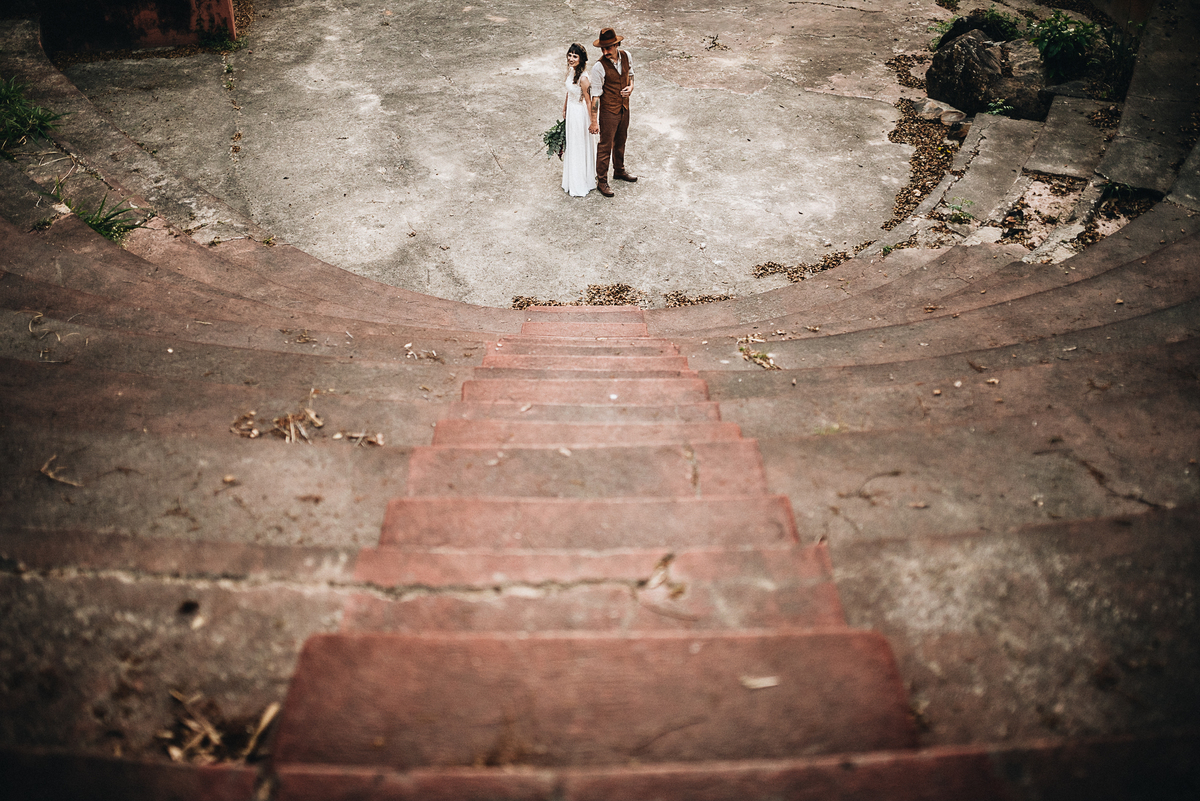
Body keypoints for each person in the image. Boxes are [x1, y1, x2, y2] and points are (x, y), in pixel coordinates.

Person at [589, 28, 637, 198]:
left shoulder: (626, 56)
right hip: (608, 110)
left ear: (617, 44)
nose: (605, 51)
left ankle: (619, 170)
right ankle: (602, 180)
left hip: (624, 106)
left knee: (621, 140)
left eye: (608, 47)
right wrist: (594, 121)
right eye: (603, 48)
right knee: (605, 146)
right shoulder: (598, 67)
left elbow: (631, 75)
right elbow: (595, 96)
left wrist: (630, 88)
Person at [561, 43, 598, 197]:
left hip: (578, 114)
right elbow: (569, 92)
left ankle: (580, 181)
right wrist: (564, 108)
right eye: (570, 55)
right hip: (571, 112)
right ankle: (571, 179)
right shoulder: (572, 72)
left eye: (575, 56)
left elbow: (589, 101)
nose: (571, 58)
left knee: (578, 145)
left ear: (581, 59)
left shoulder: (583, 78)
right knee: (572, 143)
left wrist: (593, 121)